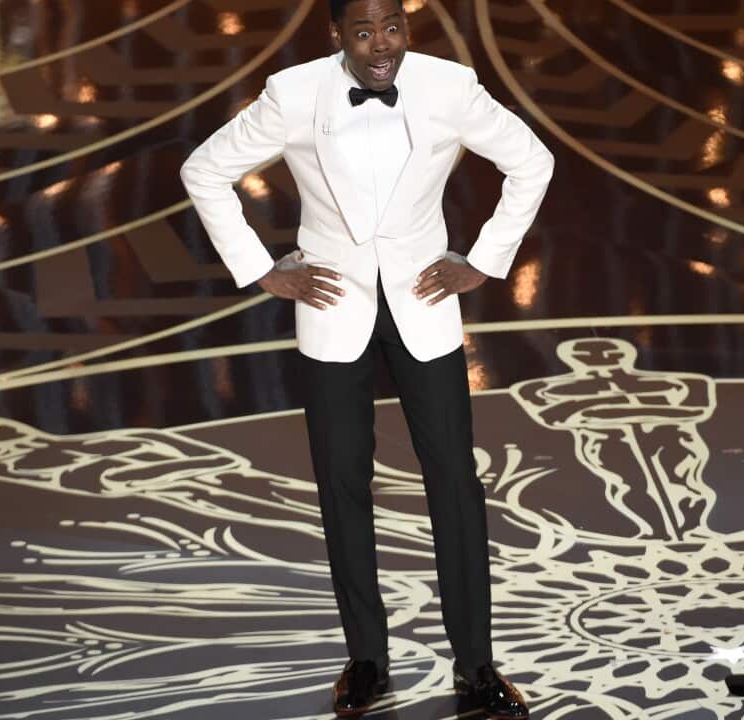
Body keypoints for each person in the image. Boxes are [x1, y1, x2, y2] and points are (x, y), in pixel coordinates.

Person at [180, 0, 554, 716]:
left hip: (425, 300)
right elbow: (204, 170)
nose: (381, 45)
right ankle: (366, 661)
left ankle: (476, 667)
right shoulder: (293, 94)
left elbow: (533, 161)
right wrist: (263, 270)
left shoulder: (450, 85)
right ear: (336, 36)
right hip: (330, 305)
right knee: (342, 485)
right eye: (363, 31)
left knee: (455, 482)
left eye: (393, 28)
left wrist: (484, 261)